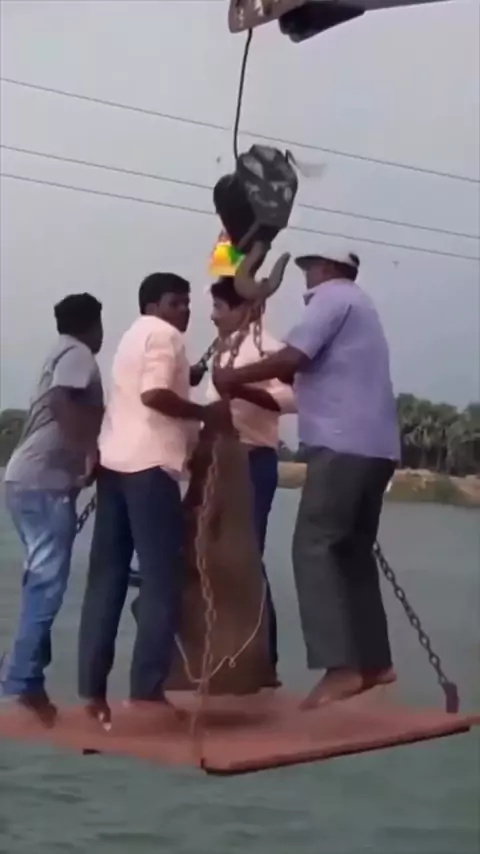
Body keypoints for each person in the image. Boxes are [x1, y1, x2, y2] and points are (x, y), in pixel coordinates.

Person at [213, 246, 400, 708]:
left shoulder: (332, 299)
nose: (306, 278)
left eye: (309, 269)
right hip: (376, 448)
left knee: (313, 545)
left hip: (341, 444)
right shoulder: (361, 306)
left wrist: (234, 379)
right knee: (351, 552)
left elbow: (291, 359)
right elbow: (300, 374)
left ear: (329, 269)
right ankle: (375, 662)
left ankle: (341, 667)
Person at [77, 272, 228, 725]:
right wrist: (205, 411)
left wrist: (187, 380)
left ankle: (92, 692)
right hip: (150, 468)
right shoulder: (166, 335)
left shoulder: (130, 337)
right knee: (163, 578)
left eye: (186, 303)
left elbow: (144, 389)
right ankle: (146, 690)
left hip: (114, 465)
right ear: (153, 306)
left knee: (106, 579)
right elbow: (155, 394)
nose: (185, 311)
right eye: (175, 302)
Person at [2, 294, 104, 722]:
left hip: (25, 480)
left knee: (38, 581)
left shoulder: (58, 351)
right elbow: (64, 400)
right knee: (46, 584)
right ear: (93, 324)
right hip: (43, 483)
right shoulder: (78, 354)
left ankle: (28, 680)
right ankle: (18, 679)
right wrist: (88, 451)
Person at [207, 276, 295, 677]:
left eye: (219, 308)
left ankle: (265, 659)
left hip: (252, 461)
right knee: (215, 558)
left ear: (246, 309)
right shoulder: (224, 349)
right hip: (220, 462)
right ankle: (227, 654)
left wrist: (239, 388)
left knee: (246, 557)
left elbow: (292, 399)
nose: (213, 316)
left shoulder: (269, 349)